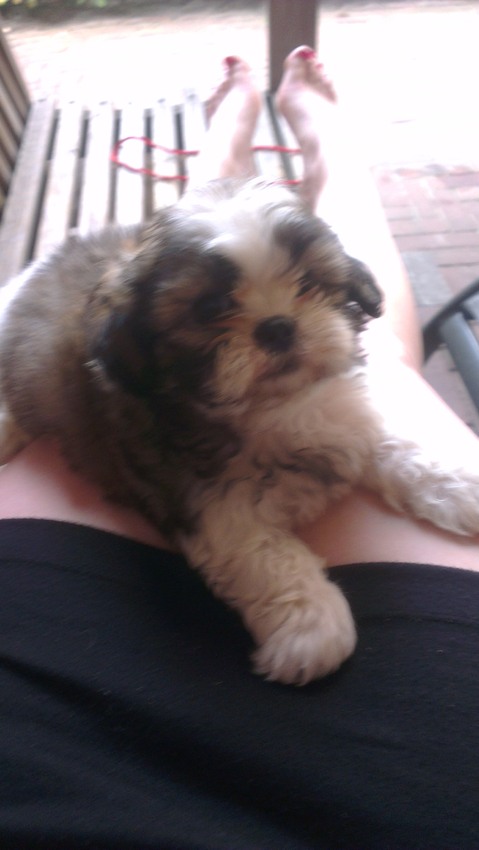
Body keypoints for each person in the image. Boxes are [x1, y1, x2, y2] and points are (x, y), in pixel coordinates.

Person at [0, 48, 477, 850]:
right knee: (389, 365)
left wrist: (420, 469)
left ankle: (266, 143)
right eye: (210, 315)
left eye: (311, 286)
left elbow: (366, 407)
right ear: (144, 359)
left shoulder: (250, 339)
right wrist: (286, 594)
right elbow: (222, 520)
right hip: (103, 367)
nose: (276, 325)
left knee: (375, 368)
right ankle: (285, 147)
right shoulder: (156, 413)